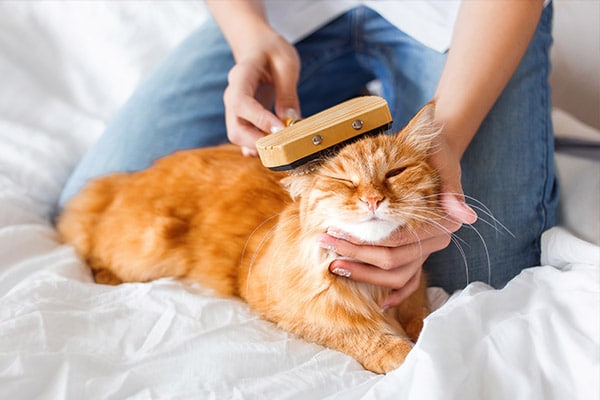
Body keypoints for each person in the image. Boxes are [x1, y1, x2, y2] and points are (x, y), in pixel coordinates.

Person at [58, 0, 558, 307]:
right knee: (92, 207)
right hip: (287, 14)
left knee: (475, 275)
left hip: (460, 17)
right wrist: (249, 34)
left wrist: (444, 137)